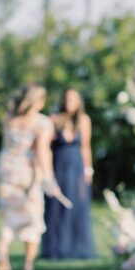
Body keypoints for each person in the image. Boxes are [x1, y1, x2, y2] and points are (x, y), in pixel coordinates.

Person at [0, 84, 68, 270]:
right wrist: (49, 179)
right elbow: (42, 152)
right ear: (39, 101)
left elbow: (5, 146)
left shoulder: (9, 118)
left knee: (9, 215)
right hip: (27, 173)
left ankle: (3, 251)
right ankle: (27, 265)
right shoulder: (42, 123)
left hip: (4, 170)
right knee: (33, 217)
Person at [42, 87, 94, 260]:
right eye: (67, 98)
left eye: (73, 98)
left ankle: (77, 248)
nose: (70, 102)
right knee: (57, 206)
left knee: (77, 205)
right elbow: (44, 146)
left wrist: (88, 170)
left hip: (77, 167)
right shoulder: (54, 119)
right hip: (59, 166)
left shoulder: (84, 120)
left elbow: (85, 147)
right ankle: (56, 247)